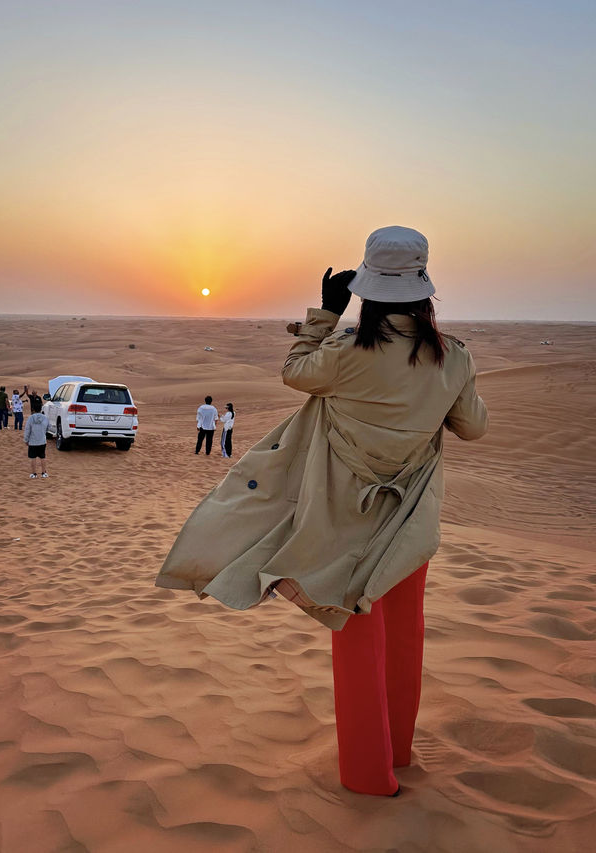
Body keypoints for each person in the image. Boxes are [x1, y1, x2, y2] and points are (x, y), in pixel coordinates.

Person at [156, 226, 488, 797]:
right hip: (409, 522)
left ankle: (367, 776)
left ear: (367, 290)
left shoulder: (344, 353)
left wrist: (325, 313)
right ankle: (398, 755)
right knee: (406, 635)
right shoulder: (452, 357)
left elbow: (294, 370)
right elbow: (473, 427)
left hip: (341, 524)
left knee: (358, 639)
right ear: (423, 291)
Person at [24, 398, 49, 479]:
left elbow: (27, 429)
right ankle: (44, 473)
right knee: (43, 457)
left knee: (33, 457)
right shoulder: (45, 418)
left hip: (32, 441)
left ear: (33, 409)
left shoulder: (30, 418)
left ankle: (34, 474)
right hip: (42, 441)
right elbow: (48, 428)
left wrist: (26, 440)